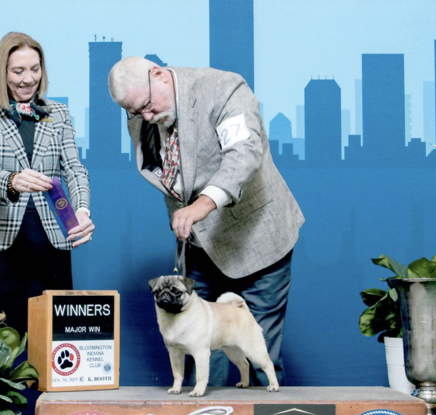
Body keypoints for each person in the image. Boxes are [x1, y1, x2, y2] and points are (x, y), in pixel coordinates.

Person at [108, 57, 304, 387]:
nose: (145, 117)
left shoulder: (222, 88)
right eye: (134, 112)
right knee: (199, 350)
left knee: (259, 352)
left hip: (256, 239)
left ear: (159, 75)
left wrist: (203, 203)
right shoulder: (143, 111)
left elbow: (244, 152)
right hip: (198, 246)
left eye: (146, 106)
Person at [0, 32, 94, 334]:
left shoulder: (58, 113)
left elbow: (74, 168)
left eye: (35, 69)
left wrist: (82, 210)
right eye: (18, 71)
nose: (28, 79)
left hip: (50, 239)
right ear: (2, 72)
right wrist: (13, 180)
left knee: (53, 335)